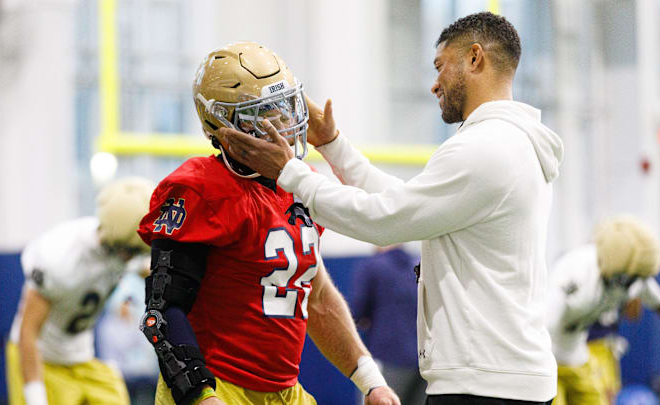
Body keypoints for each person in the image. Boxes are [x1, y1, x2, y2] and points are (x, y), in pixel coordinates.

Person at [216, 12, 563, 405]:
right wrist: (332, 144)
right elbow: (406, 204)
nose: (435, 84)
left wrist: (289, 172)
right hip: (506, 377)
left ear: (475, 58)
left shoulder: (485, 149)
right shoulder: (510, 143)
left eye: (440, 66)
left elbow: (382, 220)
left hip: (484, 387)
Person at [136, 41, 399, 405]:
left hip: (284, 391)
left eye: (283, 108)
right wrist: (200, 395)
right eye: (261, 115)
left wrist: (372, 382)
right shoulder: (200, 187)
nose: (282, 124)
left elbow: (317, 297)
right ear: (222, 125)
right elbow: (162, 313)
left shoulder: (298, 183)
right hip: (218, 386)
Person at [6, 177, 154, 405]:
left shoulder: (123, 246)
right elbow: (28, 333)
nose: (132, 257)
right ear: (118, 242)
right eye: (130, 251)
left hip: (80, 357)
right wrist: (36, 398)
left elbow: (144, 266)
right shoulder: (61, 256)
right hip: (41, 359)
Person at [546, 216, 660, 405]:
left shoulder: (631, 279)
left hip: (576, 352)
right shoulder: (575, 271)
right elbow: (546, 320)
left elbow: (645, 286)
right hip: (549, 355)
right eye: (629, 277)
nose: (631, 285)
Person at [350, 246, 427, 405]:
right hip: (423, 360)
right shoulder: (420, 264)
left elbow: (356, 313)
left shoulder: (373, 267)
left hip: (389, 357)